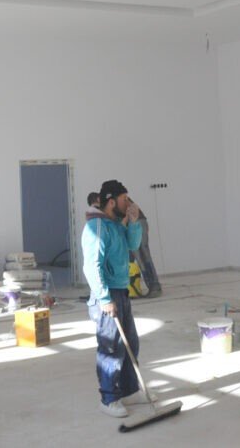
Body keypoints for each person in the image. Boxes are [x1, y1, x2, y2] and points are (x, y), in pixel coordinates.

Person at [82, 179, 144, 418]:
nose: (128, 202)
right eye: (124, 199)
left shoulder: (116, 224)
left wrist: (134, 222)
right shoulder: (96, 227)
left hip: (122, 291)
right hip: (107, 294)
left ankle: (129, 391)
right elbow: (92, 265)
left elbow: (133, 244)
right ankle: (109, 399)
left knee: (130, 344)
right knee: (111, 348)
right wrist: (104, 297)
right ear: (111, 202)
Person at [130, 202, 162, 298]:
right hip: (131, 223)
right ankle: (131, 290)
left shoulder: (114, 197)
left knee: (142, 255)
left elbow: (132, 207)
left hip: (136, 222)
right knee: (128, 259)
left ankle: (154, 286)